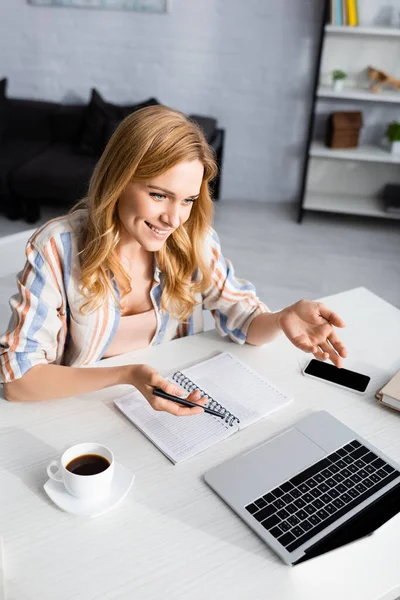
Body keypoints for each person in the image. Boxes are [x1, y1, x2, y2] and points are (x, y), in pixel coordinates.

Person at [0, 105, 347, 411]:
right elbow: (18, 382)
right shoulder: (57, 247)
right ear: (117, 181)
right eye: (159, 195)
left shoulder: (192, 238)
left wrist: (282, 318)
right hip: (81, 409)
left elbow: (243, 318)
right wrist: (127, 375)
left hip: (171, 404)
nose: (173, 218)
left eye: (187, 200)